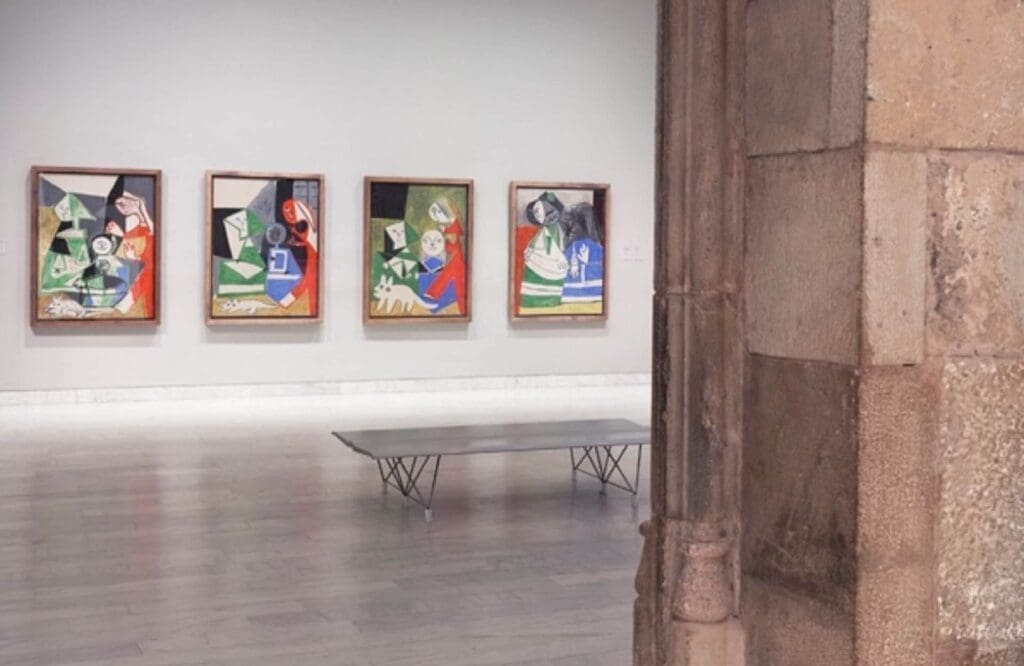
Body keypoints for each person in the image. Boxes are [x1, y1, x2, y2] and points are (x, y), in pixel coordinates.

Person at [423, 196, 467, 315]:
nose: (436, 216)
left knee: (456, 281)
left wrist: (444, 234)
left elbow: (453, 240)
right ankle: (433, 293)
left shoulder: (455, 224)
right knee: (453, 278)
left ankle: (434, 293)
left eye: (438, 212)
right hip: (453, 257)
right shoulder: (449, 225)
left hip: (456, 257)